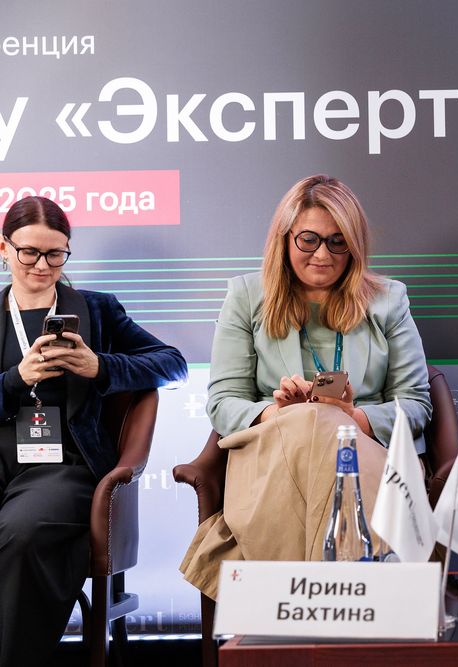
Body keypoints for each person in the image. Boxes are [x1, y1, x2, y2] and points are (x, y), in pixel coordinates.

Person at [181, 175, 431, 598]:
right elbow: (223, 403)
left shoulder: (389, 299)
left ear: (354, 245)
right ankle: (353, 601)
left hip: (367, 450)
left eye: (338, 242)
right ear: (285, 238)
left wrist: (352, 417)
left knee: (324, 425)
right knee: (306, 423)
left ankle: (289, 607)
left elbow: (416, 404)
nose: (323, 254)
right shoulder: (246, 296)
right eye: (309, 240)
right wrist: (279, 413)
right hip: (272, 454)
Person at [0, 196, 187, 667]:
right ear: (4, 249)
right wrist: (15, 380)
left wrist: (100, 366)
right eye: (29, 252)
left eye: (55, 254)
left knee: (24, 530)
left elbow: (173, 363)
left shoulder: (97, 310)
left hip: (63, 469)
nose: (42, 266)